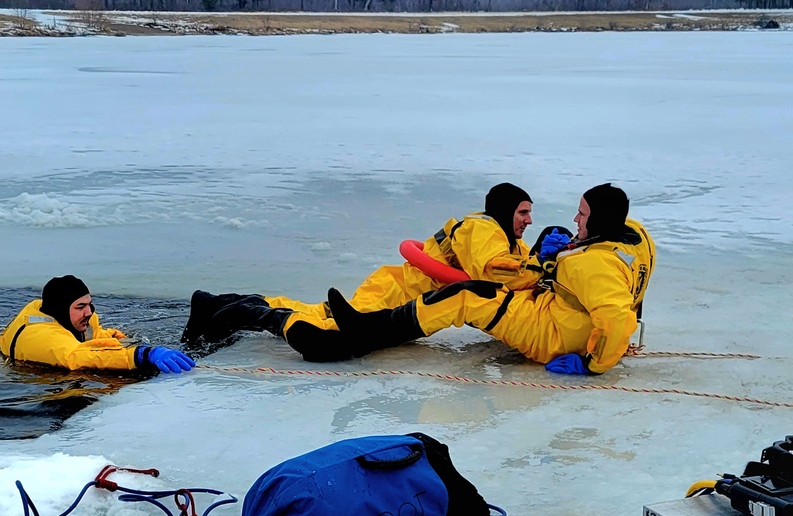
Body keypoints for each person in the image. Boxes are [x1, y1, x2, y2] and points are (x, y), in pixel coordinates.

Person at [181, 182, 558, 361]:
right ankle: (235, 311)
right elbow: (493, 272)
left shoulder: (514, 245)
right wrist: (540, 265)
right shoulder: (484, 230)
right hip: (397, 292)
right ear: (505, 210)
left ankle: (224, 302)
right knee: (326, 326)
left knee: (320, 315)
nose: (528, 220)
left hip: (411, 300)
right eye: (523, 212)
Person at [323, 183, 656, 375]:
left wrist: (594, 363)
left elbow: (614, 314)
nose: (575, 218)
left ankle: (369, 330)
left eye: (582, 214)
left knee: (466, 295)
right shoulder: (636, 240)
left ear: (598, 218)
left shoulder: (592, 266)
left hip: (553, 336)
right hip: (566, 318)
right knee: (555, 236)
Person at [0, 275, 195, 374]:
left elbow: (96, 336)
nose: (89, 312)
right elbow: (77, 356)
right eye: (80, 307)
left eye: (89, 304)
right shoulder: (42, 337)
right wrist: (140, 355)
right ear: (60, 309)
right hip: (20, 374)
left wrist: (123, 340)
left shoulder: (73, 318)